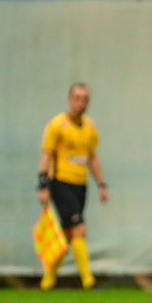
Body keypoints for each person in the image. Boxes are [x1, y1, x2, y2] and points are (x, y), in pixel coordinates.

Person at [36, 82, 109, 290]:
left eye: (85, 99)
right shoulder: (57, 124)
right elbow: (46, 154)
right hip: (60, 183)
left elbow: (92, 158)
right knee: (79, 228)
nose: (81, 103)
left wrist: (102, 184)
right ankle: (88, 281)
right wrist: (42, 185)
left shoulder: (89, 126)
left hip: (80, 185)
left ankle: (47, 280)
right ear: (70, 100)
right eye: (77, 98)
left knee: (69, 235)